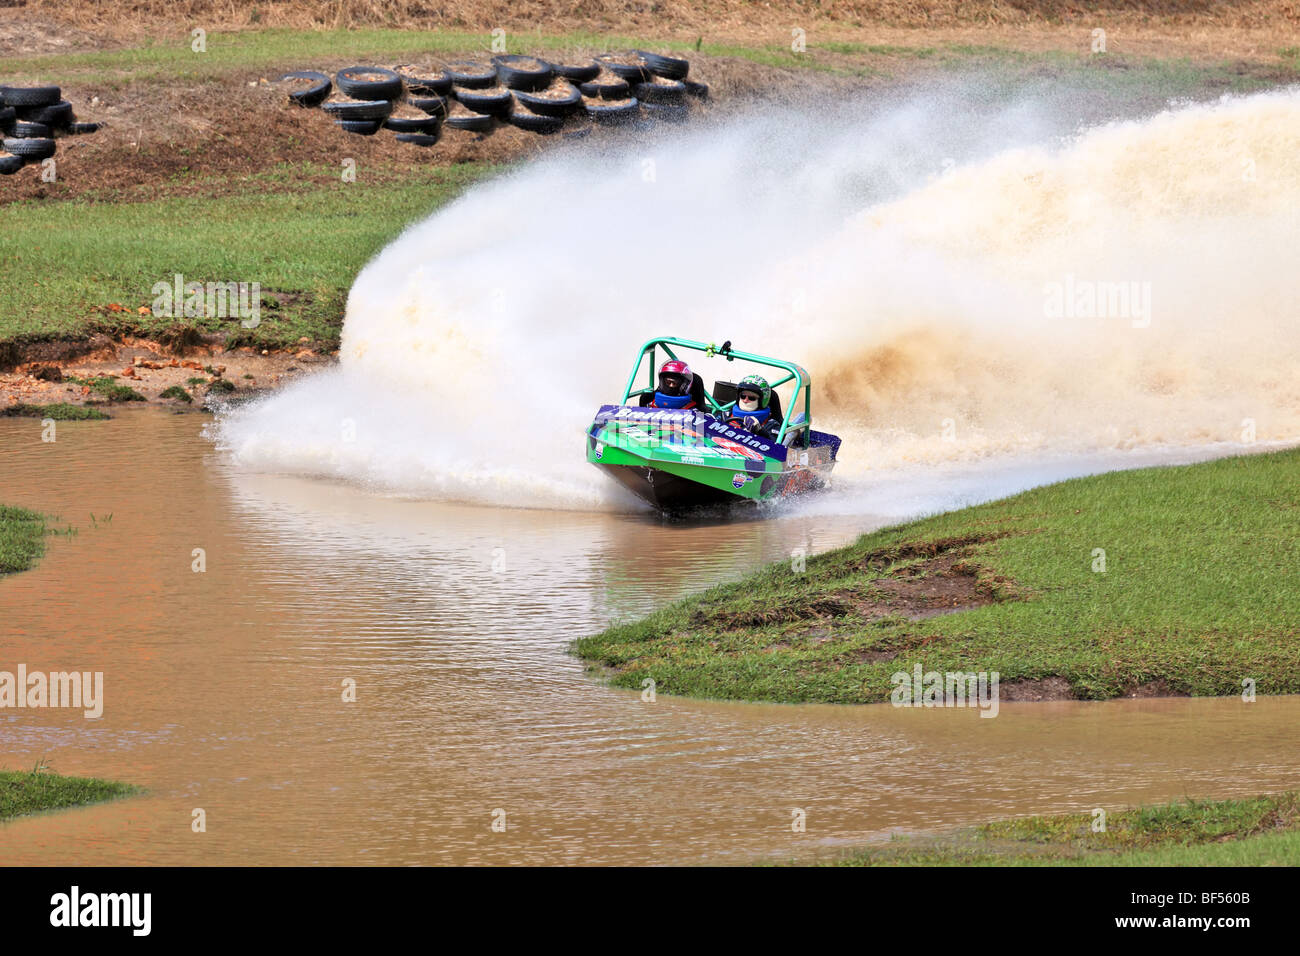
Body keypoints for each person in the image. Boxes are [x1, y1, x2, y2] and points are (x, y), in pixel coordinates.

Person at [723, 374, 782, 440]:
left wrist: (760, 431)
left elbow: (774, 446)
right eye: (743, 396)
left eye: (751, 398)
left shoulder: (771, 424)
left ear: (762, 401)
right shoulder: (726, 414)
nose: (745, 400)